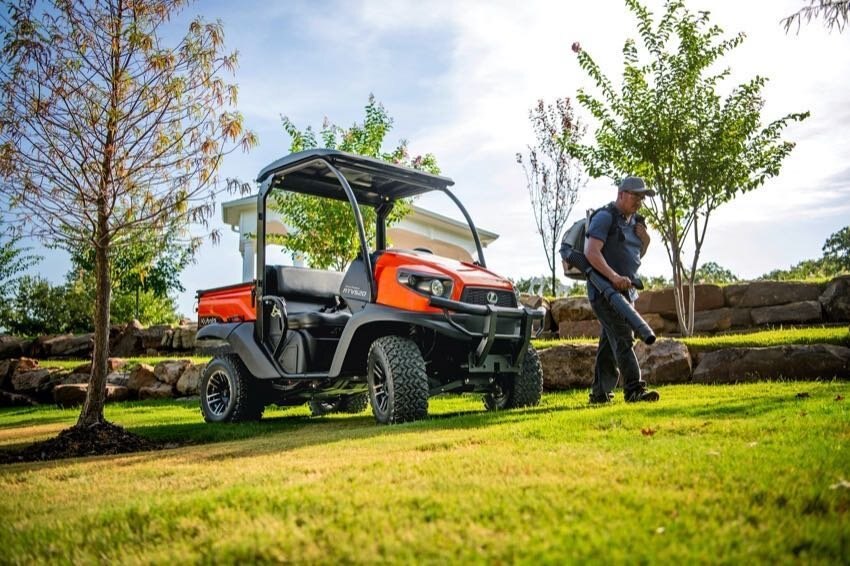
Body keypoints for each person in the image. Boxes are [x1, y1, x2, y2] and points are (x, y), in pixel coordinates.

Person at [583, 176, 659, 404]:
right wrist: (614, 277)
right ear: (621, 194)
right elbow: (591, 252)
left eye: (642, 197)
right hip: (604, 290)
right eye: (636, 196)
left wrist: (646, 242)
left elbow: (633, 255)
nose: (639, 201)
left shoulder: (636, 222)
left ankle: (599, 394)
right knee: (624, 336)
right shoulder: (605, 218)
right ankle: (634, 390)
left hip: (627, 291)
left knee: (610, 342)